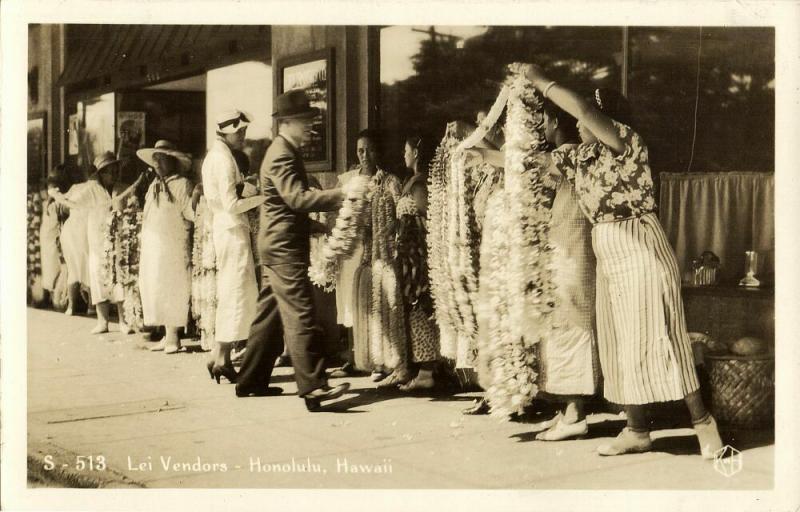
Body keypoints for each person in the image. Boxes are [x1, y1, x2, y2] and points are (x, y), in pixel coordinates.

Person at [523, 64, 723, 458]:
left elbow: (582, 109)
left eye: (590, 118)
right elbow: (528, 164)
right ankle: (636, 430)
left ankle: (704, 424)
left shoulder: (626, 141)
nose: (579, 123)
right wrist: (479, 150)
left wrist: (540, 81)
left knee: (663, 338)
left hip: (640, 245)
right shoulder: (580, 157)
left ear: (606, 119)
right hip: (607, 251)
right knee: (618, 342)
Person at [235, 89, 349, 410]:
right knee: (300, 312)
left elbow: (280, 205)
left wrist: (316, 227)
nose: (311, 126)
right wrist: (343, 192)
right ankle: (313, 388)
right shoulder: (283, 153)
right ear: (286, 122)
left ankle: (250, 381)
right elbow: (296, 198)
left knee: (269, 316)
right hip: (284, 248)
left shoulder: (282, 150)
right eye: (305, 121)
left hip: (276, 243)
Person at [335, 129, 408, 386]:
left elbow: (404, 215)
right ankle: (376, 361)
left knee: (389, 307)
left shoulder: (390, 182)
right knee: (371, 308)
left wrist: (394, 227)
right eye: (359, 151)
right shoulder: (352, 182)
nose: (364, 155)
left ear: (378, 152)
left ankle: (394, 362)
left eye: (368, 150)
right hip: (368, 252)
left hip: (387, 254)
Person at [48, 152, 142, 334]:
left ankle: (123, 321)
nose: (113, 175)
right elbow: (70, 202)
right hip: (97, 239)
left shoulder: (120, 188)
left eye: (116, 171)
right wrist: (55, 194)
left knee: (119, 277)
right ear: (101, 173)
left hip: (117, 239)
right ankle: (102, 321)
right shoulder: (90, 189)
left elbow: (130, 203)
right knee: (98, 277)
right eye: (109, 172)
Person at [201, 109, 263, 384]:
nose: (243, 135)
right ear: (225, 132)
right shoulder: (223, 160)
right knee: (236, 291)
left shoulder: (216, 157)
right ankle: (223, 358)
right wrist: (263, 198)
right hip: (231, 229)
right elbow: (231, 204)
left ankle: (218, 354)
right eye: (239, 131)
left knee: (233, 290)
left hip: (226, 230)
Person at [137, 140, 196, 354]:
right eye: (155, 160)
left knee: (173, 285)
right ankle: (165, 333)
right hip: (154, 244)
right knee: (155, 284)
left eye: (162, 159)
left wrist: (197, 202)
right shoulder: (153, 185)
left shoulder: (182, 184)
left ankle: (174, 336)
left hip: (173, 243)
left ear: (172, 161)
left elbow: (190, 213)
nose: (158, 164)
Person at [395, 135, 440, 391]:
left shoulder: (420, 184)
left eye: (406, 150)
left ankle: (427, 371)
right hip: (409, 255)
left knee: (420, 307)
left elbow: (426, 217)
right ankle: (422, 369)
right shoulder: (410, 182)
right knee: (414, 310)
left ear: (416, 153)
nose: (404, 154)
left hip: (418, 256)